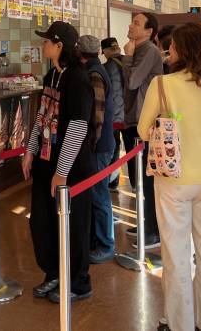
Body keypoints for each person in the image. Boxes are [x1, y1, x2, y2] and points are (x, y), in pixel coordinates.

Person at [138, 23, 201, 331]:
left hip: (173, 179)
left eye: (172, 46)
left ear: (182, 50)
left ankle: (179, 323)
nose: (169, 50)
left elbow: (143, 130)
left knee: (176, 255)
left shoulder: (162, 84)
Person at [23, 21, 96, 302]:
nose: (43, 45)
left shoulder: (78, 79)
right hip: (45, 162)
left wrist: (62, 171)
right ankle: (54, 272)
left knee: (74, 226)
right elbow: (41, 115)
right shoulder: (51, 75)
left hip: (71, 169)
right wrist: (30, 151)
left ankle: (78, 282)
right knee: (42, 223)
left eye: (46, 41)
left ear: (59, 45)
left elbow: (78, 126)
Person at [122, 12, 164, 247]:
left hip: (145, 121)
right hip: (134, 119)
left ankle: (153, 231)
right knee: (138, 177)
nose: (131, 26)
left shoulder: (149, 50)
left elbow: (132, 82)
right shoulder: (139, 49)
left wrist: (127, 57)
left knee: (147, 179)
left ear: (149, 31)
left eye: (136, 23)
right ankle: (146, 222)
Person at [77, 35, 116, 264]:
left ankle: (105, 244)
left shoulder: (93, 74)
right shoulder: (96, 69)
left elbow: (97, 116)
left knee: (99, 195)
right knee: (96, 194)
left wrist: (90, 144)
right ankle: (97, 240)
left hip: (98, 146)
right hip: (101, 144)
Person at [101, 37, 125, 191]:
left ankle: (112, 182)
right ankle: (136, 183)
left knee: (113, 148)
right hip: (130, 115)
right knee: (130, 149)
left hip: (113, 116)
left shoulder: (106, 68)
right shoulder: (129, 62)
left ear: (104, 51)